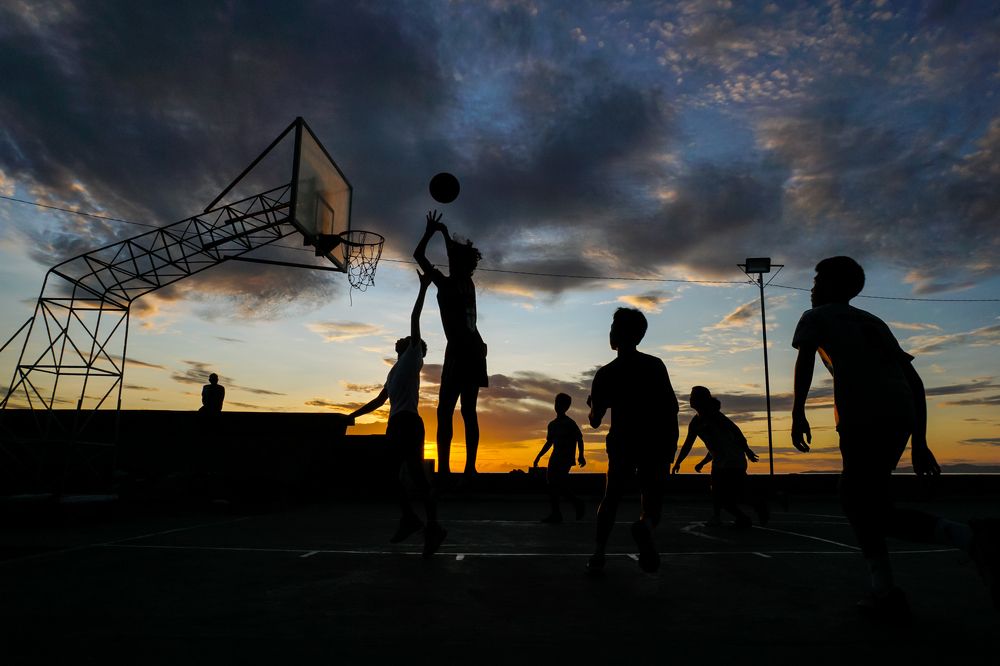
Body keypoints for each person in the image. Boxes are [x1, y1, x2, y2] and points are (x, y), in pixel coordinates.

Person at [791, 255, 999, 615]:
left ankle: (969, 539)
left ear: (833, 286)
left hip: (864, 414)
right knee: (867, 503)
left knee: (860, 502)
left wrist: (798, 412)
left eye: (817, 280)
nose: (812, 288)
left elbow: (805, 360)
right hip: (900, 412)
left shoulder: (816, 317)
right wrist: (919, 439)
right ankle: (886, 588)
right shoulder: (873, 321)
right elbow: (914, 381)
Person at [349, 271, 446, 558]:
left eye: (404, 339)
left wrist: (423, 287)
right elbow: (379, 401)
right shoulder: (393, 372)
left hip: (407, 424)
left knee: (405, 477)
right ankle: (424, 524)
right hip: (400, 424)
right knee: (403, 477)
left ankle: (422, 523)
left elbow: (414, 319)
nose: (400, 340)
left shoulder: (414, 355)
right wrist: (350, 416)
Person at [587, 307, 679, 573]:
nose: (611, 332)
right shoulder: (654, 365)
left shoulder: (606, 373)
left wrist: (592, 405)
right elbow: (670, 406)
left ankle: (598, 554)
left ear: (617, 334)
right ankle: (645, 527)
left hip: (622, 440)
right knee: (651, 502)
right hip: (655, 440)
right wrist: (670, 443)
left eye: (613, 327)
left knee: (611, 497)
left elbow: (595, 420)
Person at [414, 209, 488, 483]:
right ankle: (470, 468)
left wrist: (429, 233)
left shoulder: (446, 285)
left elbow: (418, 256)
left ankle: (444, 470)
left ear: (455, 262)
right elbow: (454, 257)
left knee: (445, 411)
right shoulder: (467, 282)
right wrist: (444, 233)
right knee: (469, 411)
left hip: (459, 350)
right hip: (476, 348)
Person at [672, 386, 768, 528]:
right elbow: (689, 444)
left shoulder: (716, 417)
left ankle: (759, 506)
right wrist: (679, 462)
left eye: (693, 396)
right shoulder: (696, 422)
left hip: (733, 460)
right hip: (719, 461)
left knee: (733, 495)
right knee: (717, 493)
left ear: (702, 400)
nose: (690, 399)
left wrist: (747, 450)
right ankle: (724, 517)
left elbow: (736, 433)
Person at [532, 393, 587, 523]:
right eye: (557, 403)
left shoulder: (570, 423)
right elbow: (549, 443)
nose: (558, 407)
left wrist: (581, 455)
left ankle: (576, 503)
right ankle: (557, 513)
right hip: (555, 457)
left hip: (566, 458)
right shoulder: (552, 424)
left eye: (561, 404)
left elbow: (580, 438)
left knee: (559, 484)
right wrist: (538, 456)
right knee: (552, 484)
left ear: (566, 407)